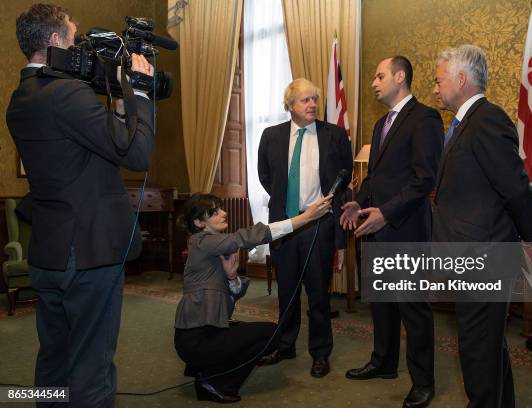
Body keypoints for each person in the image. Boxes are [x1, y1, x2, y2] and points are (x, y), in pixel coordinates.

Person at [6, 4, 155, 407]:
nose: (82, 48)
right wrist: (140, 89)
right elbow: (137, 155)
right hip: (86, 254)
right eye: (75, 38)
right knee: (91, 367)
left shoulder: (21, 97)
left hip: (49, 253)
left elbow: (94, 145)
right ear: (55, 41)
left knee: (54, 360)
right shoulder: (67, 93)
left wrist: (120, 105)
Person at [432, 44, 532, 408]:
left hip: (484, 255)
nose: (435, 88)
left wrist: (530, 236)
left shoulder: (487, 119)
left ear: (461, 79)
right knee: (487, 346)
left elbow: (515, 188)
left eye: (439, 80)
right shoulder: (463, 123)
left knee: (478, 351)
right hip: (469, 253)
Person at [340, 56, 443, 408]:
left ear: (401, 77)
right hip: (377, 227)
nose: (373, 83)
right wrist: (359, 202)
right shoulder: (382, 122)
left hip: (406, 229)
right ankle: (383, 362)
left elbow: (423, 179)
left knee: (413, 309)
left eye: (379, 75)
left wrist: (386, 212)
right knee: (382, 302)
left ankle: (423, 383)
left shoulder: (425, 118)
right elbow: (378, 176)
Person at [174, 193, 332, 403]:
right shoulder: (202, 242)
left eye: (221, 208)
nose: (223, 213)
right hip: (197, 339)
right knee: (271, 335)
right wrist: (305, 218)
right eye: (214, 211)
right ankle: (215, 383)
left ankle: (208, 373)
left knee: (264, 334)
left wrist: (231, 278)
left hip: (209, 331)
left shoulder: (212, 246)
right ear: (198, 222)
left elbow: (229, 300)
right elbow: (248, 236)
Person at [257, 78, 353, 377]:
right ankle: (285, 345)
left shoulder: (334, 135)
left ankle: (320, 353)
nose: (312, 105)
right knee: (287, 291)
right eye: (305, 100)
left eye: (314, 99)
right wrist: (286, 203)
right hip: (285, 224)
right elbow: (265, 175)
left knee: (318, 295)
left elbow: (345, 173)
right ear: (290, 105)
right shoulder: (271, 135)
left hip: (318, 225)